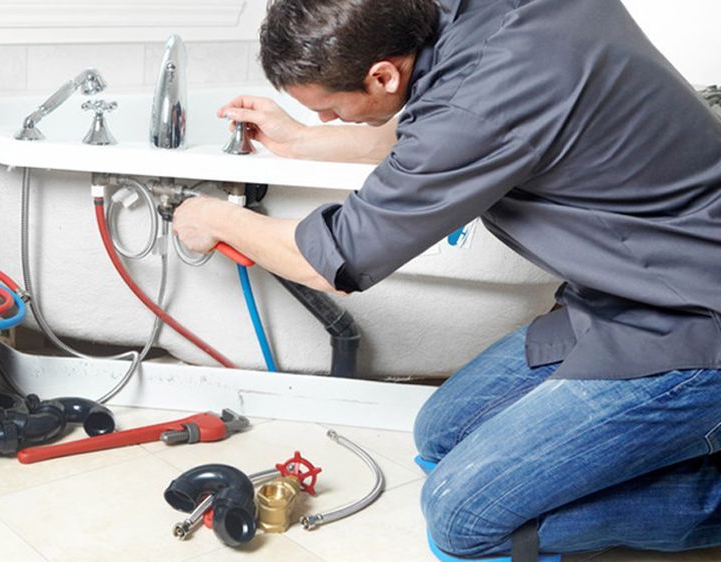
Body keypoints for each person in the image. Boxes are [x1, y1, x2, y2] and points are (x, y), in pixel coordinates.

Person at [172, 0, 721, 559]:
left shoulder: (483, 98)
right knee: (441, 435)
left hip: (696, 323)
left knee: (464, 521)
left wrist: (213, 217)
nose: (329, 120)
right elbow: (433, 124)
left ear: (383, 74)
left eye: (330, 110)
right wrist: (299, 141)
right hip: (622, 295)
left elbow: (336, 258)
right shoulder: (471, 23)